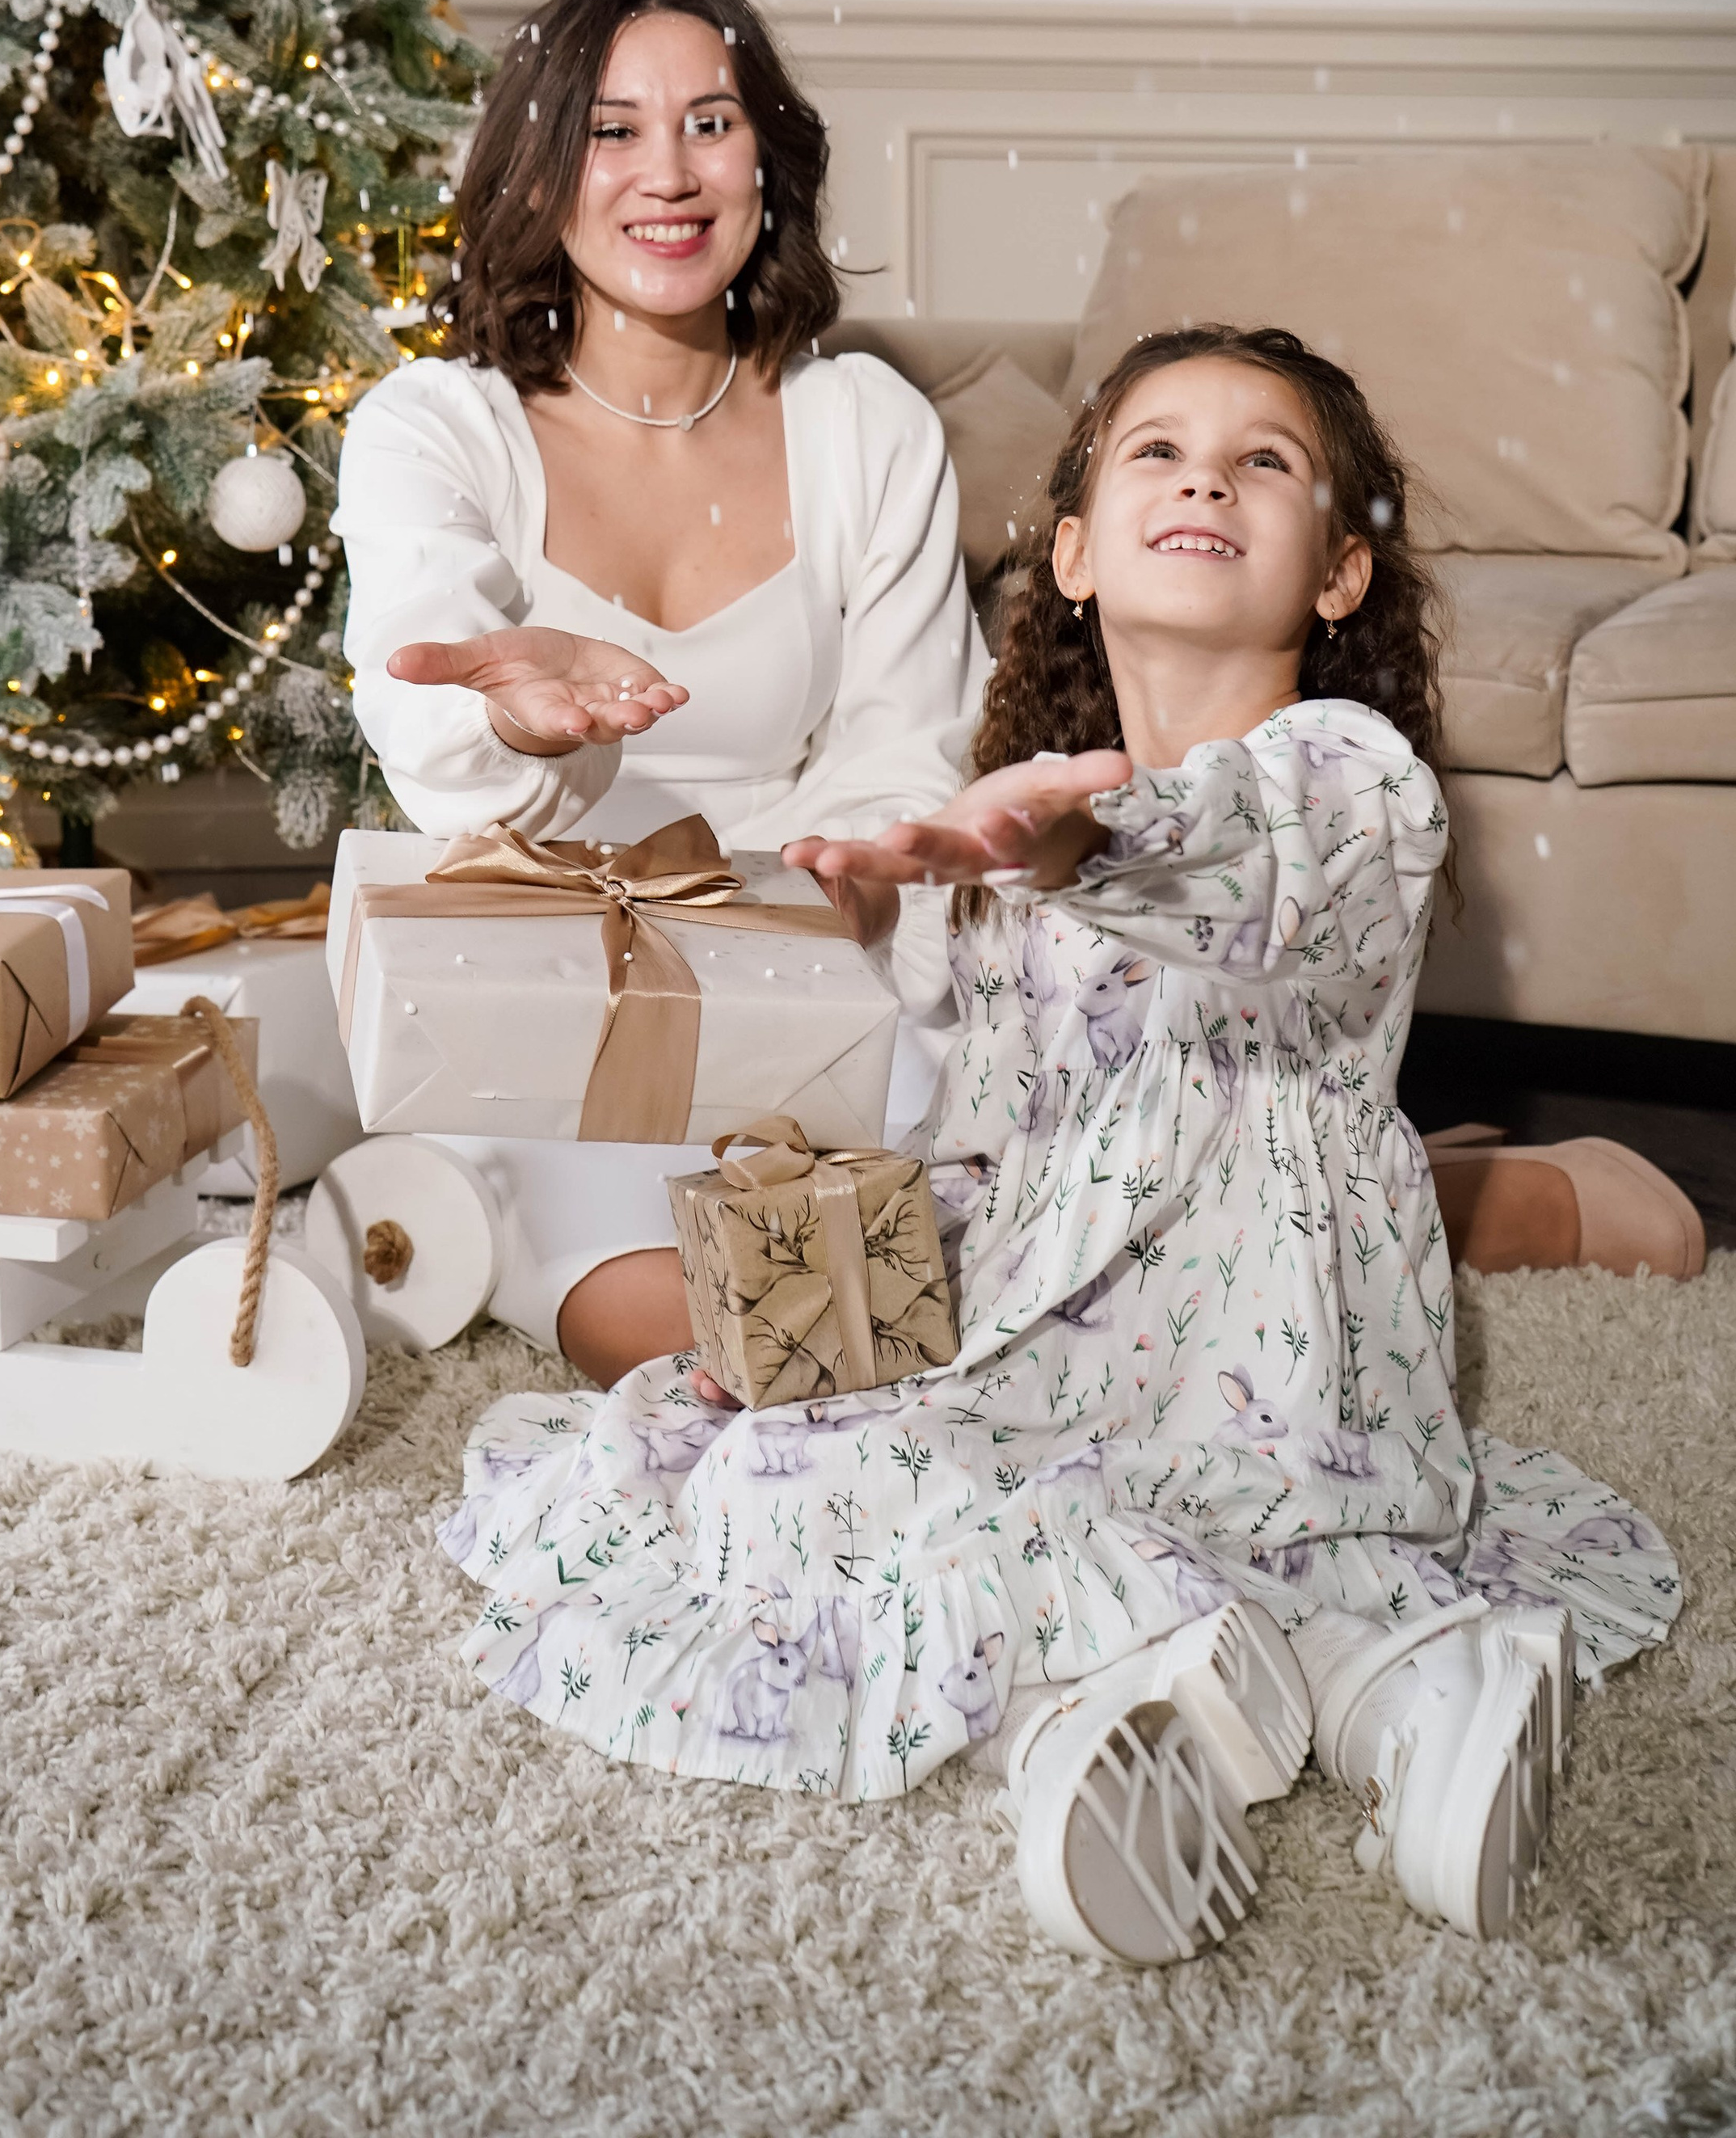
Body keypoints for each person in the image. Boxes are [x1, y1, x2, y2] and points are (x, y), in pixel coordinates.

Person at [438, 325, 1679, 1959]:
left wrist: (1091, 837)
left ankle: (1356, 1705)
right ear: (1078, 553)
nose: (1206, 478)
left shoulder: (1347, 779)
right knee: (784, 1466)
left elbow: (1233, 862)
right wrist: (889, 922)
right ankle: (1215, 1725)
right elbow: (982, 1106)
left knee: (1209, 1530)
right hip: (1047, 1307)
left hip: (1265, 1341)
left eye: (1264, 461)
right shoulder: (1004, 804)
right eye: (1156, 451)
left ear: (1336, 572)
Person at [335, 0, 988, 1381]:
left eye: (713, 121)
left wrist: (807, 906)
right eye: (613, 130)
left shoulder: (866, 426)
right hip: (540, 992)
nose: (667, 174)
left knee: (987, 1258)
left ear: (771, 162)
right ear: (539, 168)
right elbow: (427, 674)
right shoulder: (437, 426)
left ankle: (1518, 1191)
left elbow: (908, 741)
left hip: (815, 969)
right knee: (705, 1316)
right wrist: (519, 718)